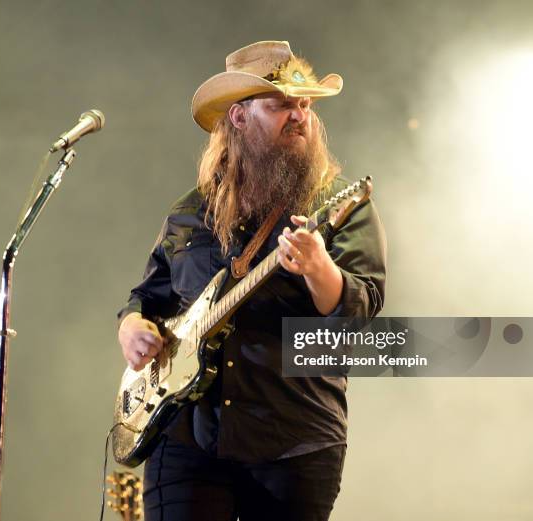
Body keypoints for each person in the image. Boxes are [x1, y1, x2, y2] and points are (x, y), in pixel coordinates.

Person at [117, 40, 387, 521]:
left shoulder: (339, 207)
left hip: (294, 441)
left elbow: (360, 315)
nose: (300, 116)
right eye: (282, 105)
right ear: (239, 117)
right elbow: (148, 296)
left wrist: (318, 267)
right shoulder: (190, 212)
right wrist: (132, 326)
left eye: (304, 104)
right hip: (186, 437)